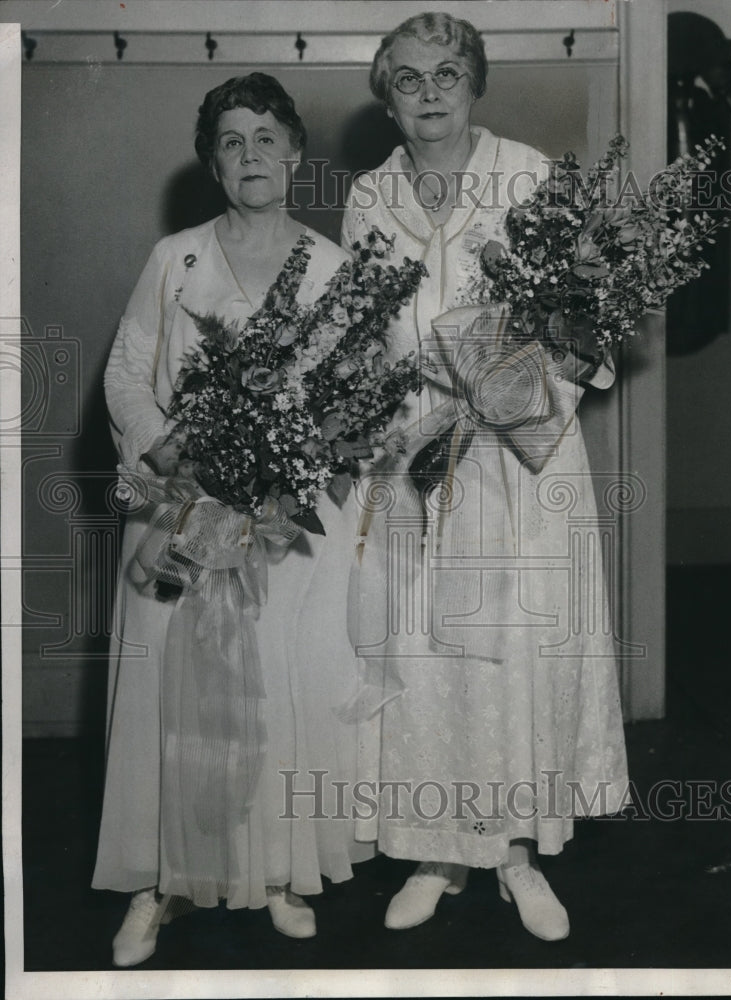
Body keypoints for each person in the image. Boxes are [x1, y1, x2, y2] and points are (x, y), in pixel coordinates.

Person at [342, 12, 630, 941]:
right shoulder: (367, 196)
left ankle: (516, 852)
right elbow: (358, 338)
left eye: (446, 74)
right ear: (387, 95)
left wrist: (509, 393)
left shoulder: (531, 173)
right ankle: (434, 850)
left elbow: (586, 324)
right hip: (419, 451)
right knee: (427, 650)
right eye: (410, 79)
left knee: (514, 646)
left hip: (517, 452)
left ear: (475, 83)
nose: (430, 94)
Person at [92, 71, 371, 967]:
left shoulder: (331, 269)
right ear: (214, 164)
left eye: (265, 138)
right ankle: (160, 882)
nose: (250, 155)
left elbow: (349, 405)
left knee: (280, 689)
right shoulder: (175, 256)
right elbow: (127, 374)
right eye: (231, 143)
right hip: (180, 512)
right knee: (166, 692)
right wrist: (165, 448)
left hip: (284, 532)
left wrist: (293, 473)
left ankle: (281, 873)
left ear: (295, 152)